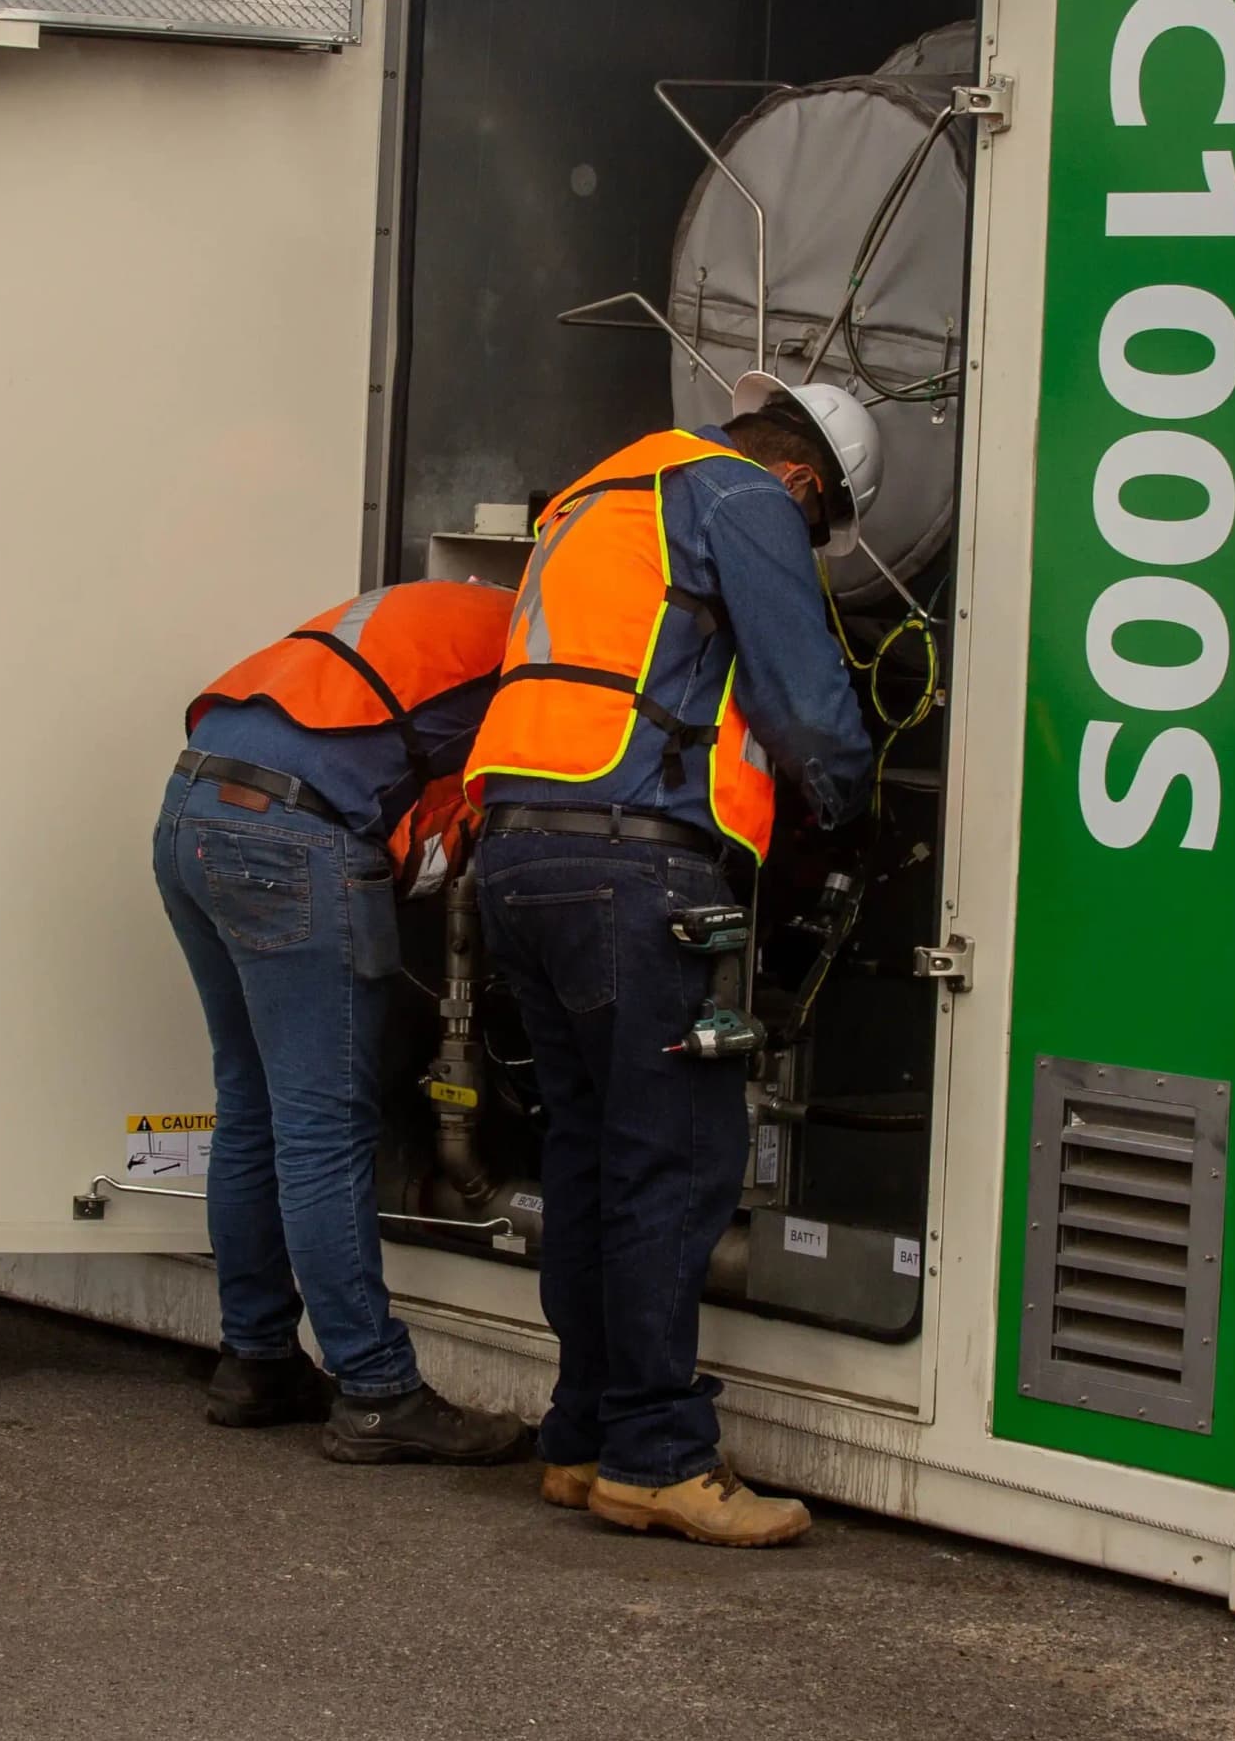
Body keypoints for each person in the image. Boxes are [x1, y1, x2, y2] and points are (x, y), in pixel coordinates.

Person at [464, 372, 880, 1546]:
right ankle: (657, 1454)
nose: (803, 540)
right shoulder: (744, 498)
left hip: (520, 854)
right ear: (802, 479)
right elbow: (803, 704)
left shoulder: (599, 495)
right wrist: (849, 806)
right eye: (817, 528)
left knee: (589, 1155)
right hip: (635, 866)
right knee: (677, 1161)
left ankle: (585, 1437)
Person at [161, 582, 533, 1464]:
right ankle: (375, 1389)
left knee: (252, 1107)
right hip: (289, 836)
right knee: (324, 1127)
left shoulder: (447, 608)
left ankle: (256, 1362)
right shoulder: (536, 654)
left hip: (192, 809)